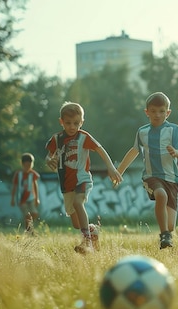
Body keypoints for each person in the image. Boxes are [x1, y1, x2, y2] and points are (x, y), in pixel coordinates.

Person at [45, 101, 122, 253]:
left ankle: (87, 242)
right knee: (75, 223)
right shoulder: (56, 139)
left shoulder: (83, 137)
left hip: (82, 179)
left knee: (78, 203)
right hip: (66, 184)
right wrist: (49, 160)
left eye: (76, 123)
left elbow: (100, 149)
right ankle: (92, 230)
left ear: (82, 122)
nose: (72, 127)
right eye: (68, 123)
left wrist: (111, 167)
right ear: (61, 122)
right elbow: (48, 156)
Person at [117, 92, 178, 249]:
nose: (157, 115)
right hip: (152, 177)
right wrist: (119, 171)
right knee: (160, 195)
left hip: (172, 179)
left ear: (168, 112)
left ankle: (167, 233)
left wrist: (176, 153)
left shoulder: (173, 130)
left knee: (170, 225)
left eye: (162, 111)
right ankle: (164, 236)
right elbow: (134, 151)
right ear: (147, 112)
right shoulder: (142, 132)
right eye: (153, 111)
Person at [11, 153, 41, 235]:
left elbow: (35, 185)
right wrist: (13, 198)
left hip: (31, 198)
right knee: (27, 214)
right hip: (21, 199)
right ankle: (30, 231)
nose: (28, 167)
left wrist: (37, 198)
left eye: (30, 165)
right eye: (26, 165)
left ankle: (29, 228)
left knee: (34, 213)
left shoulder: (32, 174)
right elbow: (14, 186)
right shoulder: (18, 174)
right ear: (22, 164)